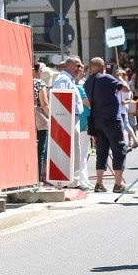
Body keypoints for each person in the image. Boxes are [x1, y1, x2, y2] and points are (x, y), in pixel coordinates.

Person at [84, 58, 129, 193]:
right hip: (111, 118)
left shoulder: (88, 82)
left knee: (102, 151)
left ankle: (99, 183)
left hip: (97, 119)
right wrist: (120, 77)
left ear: (91, 68)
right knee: (119, 149)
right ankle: (118, 184)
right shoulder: (107, 78)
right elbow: (126, 89)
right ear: (103, 66)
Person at [52, 56, 86, 186]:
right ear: (68, 65)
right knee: (73, 150)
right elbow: (61, 99)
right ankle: (72, 181)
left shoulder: (70, 80)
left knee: (75, 150)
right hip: (68, 118)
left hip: (72, 118)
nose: (80, 69)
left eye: (81, 66)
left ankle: (73, 180)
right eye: (77, 66)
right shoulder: (63, 79)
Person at [33, 62, 51, 183]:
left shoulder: (21, 81)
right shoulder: (39, 83)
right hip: (38, 121)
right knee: (40, 151)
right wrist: (53, 117)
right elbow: (44, 104)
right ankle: (38, 179)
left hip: (23, 120)